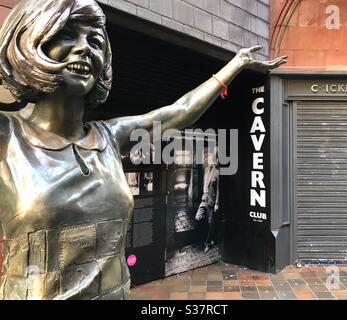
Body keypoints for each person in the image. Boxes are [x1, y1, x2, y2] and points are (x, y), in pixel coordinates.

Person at [0, 0, 287, 300]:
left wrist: (236, 64)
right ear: (30, 39)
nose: (85, 48)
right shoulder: (8, 136)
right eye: (67, 34)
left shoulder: (109, 137)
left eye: (95, 41)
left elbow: (181, 110)